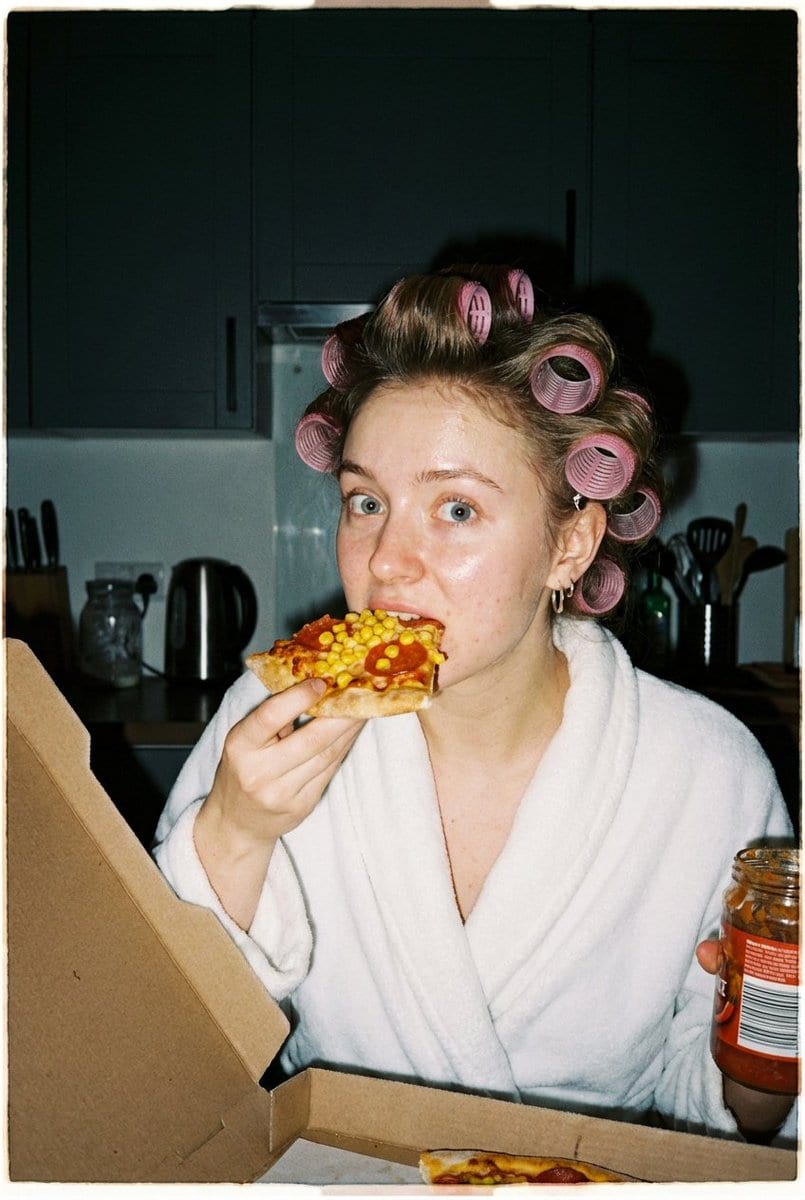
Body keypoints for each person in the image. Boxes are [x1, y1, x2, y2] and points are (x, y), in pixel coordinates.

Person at [154, 266, 796, 1145]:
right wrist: (233, 829)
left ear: (569, 542)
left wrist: (762, 1048)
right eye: (365, 501)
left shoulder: (706, 773)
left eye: (455, 508)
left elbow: (727, 1112)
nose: (385, 561)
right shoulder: (271, 714)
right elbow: (169, 1047)